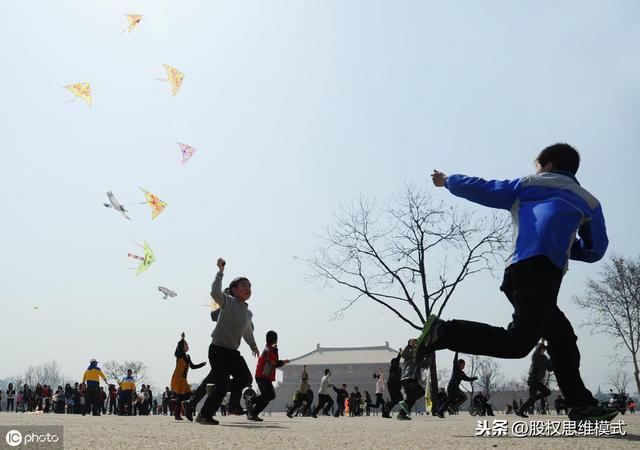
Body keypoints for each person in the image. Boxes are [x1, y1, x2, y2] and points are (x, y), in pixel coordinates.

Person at [415, 144, 617, 423]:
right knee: (520, 343)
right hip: (543, 277)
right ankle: (443, 332)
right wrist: (567, 244)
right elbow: (596, 250)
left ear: (546, 166)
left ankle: (579, 404)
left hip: (522, 271)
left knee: (561, 338)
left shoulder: (528, 184)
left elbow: (484, 188)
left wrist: (448, 181)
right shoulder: (589, 201)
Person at [197, 258, 260, 425]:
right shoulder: (227, 301)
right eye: (244, 286)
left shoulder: (247, 313)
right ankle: (204, 415)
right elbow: (214, 292)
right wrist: (220, 272)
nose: (248, 289)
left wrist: (253, 345)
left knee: (245, 379)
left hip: (233, 352)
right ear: (233, 289)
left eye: (250, 286)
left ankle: (216, 389)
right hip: (218, 350)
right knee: (223, 385)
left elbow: (247, 331)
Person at [249, 330, 289, 421]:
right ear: (275, 340)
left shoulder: (270, 349)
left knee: (269, 396)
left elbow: (273, 362)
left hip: (265, 377)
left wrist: (281, 361)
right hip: (262, 377)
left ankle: (253, 413)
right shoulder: (269, 349)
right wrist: (283, 362)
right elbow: (273, 363)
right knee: (269, 395)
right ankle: (251, 401)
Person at [170, 332, 206, 420]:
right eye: (185, 344)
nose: (187, 345)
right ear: (182, 347)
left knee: (189, 395)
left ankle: (176, 403)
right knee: (181, 396)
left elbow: (193, 367)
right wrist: (182, 339)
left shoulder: (187, 356)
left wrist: (202, 364)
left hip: (184, 379)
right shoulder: (179, 355)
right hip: (178, 378)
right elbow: (177, 349)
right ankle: (177, 415)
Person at [516, 342, 553, 418]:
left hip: (538, 382)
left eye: (544, 350)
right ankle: (520, 411)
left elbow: (550, 369)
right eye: (542, 349)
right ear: (539, 349)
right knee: (532, 399)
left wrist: (552, 361)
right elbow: (537, 351)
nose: (543, 351)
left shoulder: (545, 358)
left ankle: (531, 400)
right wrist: (542, 344)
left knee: (547, 392)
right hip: (532, 380)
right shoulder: (535, 356)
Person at [435, 353, 477, 418]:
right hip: (453, 388)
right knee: (464, 397)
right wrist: (456, 352)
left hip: (451, 388)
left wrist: (474, 378)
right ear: (459, 364)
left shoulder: (462, 373)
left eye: (464, 365)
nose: (464, 366)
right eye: (463, 365)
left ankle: (440, 412)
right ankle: (453, 406)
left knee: (449, 401)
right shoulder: (456, 368)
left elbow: (468, 379)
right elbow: (454, 361)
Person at [397, 339, 426, 420]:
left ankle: (402, 414)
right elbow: (403, 354)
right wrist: (409, 345)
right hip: (408, 377)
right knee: (420, 392)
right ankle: (404, 403)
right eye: (414, 343)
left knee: (412, 398)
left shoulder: (418, 355)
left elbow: (426, 364)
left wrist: (428, 355)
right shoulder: (410, 352)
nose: (415, 344)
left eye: (416, 343)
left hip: (413, 379)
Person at [382, 350, 402, 418]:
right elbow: (396, 361)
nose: (398, 362)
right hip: (393, 385)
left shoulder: (397, 368)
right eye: (397, 361)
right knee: (398, 399)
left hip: (395, 385)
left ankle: (386, 412)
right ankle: (386, 409)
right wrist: (400, 354)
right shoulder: (393, 367)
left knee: (396, 400)